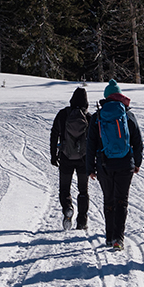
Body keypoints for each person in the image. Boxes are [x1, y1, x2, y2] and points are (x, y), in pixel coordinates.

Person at [86, 79, 143, 250]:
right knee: (121, 201)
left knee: (108, 200)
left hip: (104, 164)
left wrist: (90, 168)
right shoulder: (127, 115)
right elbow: (138, 141)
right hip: (125, 164)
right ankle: (119, 238)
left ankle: (109, 236)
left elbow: (91, 144)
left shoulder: (98, 116)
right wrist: (137, 163)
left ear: (106, 97)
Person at [49, 86, 91, 230]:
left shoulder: (62, 114)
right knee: (83, 191)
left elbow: (54, 134)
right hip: (83, 159)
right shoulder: (88, 117)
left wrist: (53, 154)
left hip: (66, 157)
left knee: (64, 189)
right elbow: (94, 140)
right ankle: (82, 221)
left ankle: (67, 208)